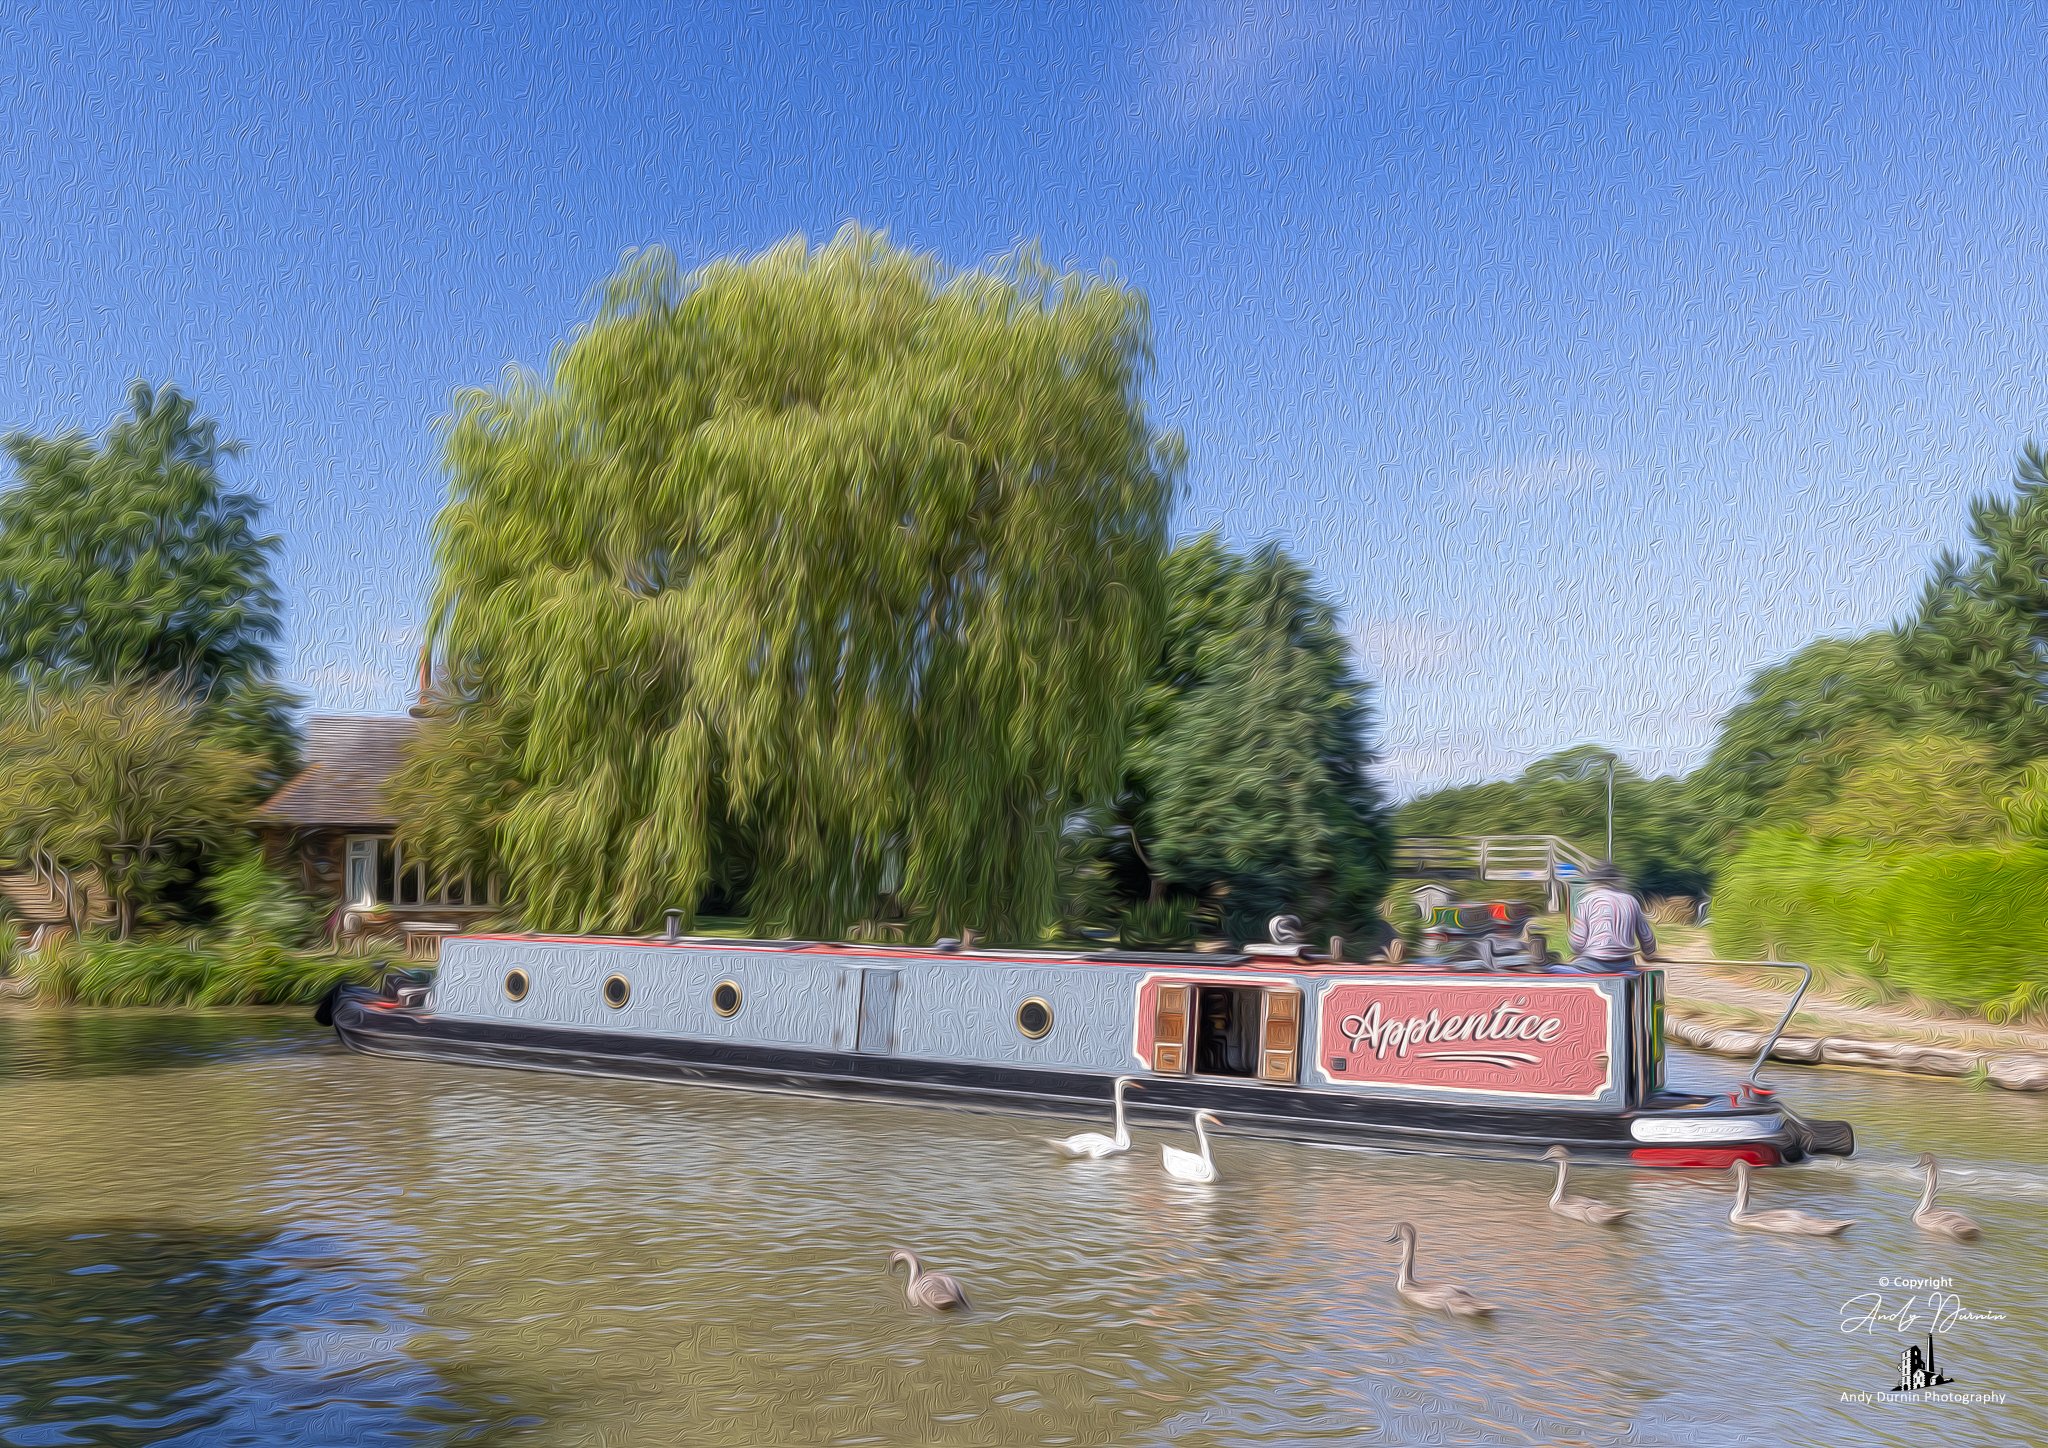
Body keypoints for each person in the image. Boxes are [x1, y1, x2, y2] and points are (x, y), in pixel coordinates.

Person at [1567, 861, 1657, 970]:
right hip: (1625, 964)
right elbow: (1647, 939)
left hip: (1592, 964)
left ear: (1595, 881)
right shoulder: (1631, 901)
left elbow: (1577, 944)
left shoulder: (1586, 901)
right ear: (1617, 881)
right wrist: (1648, 952)